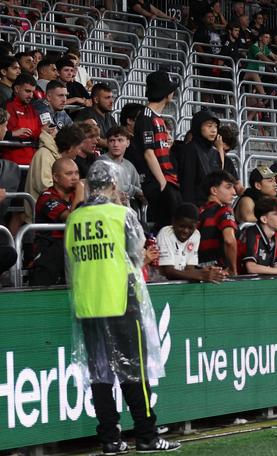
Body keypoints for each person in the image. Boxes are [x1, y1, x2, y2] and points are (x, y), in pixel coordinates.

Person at [64, 160, 181, 454]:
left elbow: (72, 263)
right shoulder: (122, 215)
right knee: (134, 372)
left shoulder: (75, 219)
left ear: (89, 185)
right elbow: (135, 256)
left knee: (100, 375)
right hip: (121, 300)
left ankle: (110, 439)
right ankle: (147, 435)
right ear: (114, 185)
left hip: (87, 304)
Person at [133, 70, 182, 230]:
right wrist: (162, 183)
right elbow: (149, 153)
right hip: (157, 180)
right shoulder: (146, 117)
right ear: (165, 92)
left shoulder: (156, 117)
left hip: (166, 179)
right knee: (167, 227)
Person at [31, 158, 85, 286]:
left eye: (76, 173)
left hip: (73, 246)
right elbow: (73, 218)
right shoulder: (47, 197)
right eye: (69, 174)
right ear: (55, 177)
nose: (75, 178)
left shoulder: (75, 195)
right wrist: (81, 192)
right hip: (49, 250)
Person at [157, 202, 228, 283]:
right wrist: (201, 275)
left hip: (180, 282)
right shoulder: (165, 233)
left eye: (190, 227)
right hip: (161, 283)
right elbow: (169, 272)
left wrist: (206, 272)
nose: (185, 231)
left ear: (197, 225)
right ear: (173, 222)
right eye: (182, 226)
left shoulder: (196, 234)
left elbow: (189, 269)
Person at [178, 110, 222, 206]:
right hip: (194, 207)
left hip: (211, 206)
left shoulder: (215, 152)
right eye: (209, 126)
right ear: (198, 127)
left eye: (216, 126)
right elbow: (187, 184)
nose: (214, 130)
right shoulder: (190, 149)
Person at [198, 170, 238, 273]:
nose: (234, 192)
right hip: (219, 271)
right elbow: (229, 240)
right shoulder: (224, 210)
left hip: (198, 271)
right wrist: (233, 269)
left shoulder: (198, 211)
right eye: (228, 187)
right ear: (214, 191)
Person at [3, 73, 44, 165]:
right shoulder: (6, 107)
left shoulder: (32, 109)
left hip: (32, 163)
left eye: (33, 92)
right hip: (12, 164)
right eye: (27, 91)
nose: (31, 95)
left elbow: (38, 130)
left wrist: (44, 131)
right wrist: (13, 134)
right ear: (17, 89)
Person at [98, 126, 143, 205]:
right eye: (112, 141)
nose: (116, 144)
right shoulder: (102, 162)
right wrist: (134, 190)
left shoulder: (129, 165)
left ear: (128, 143)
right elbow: (116, 187)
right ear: (107, 143)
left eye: (120, 140)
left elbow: (140, 188)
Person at [76, 83, 118, 148]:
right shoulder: (86, 114)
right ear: (96, 100)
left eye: (112, 97)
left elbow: (118, 135)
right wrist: (114, 145)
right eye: (107, 98)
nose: (111, 101)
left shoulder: (109, 117)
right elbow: (91, 138)